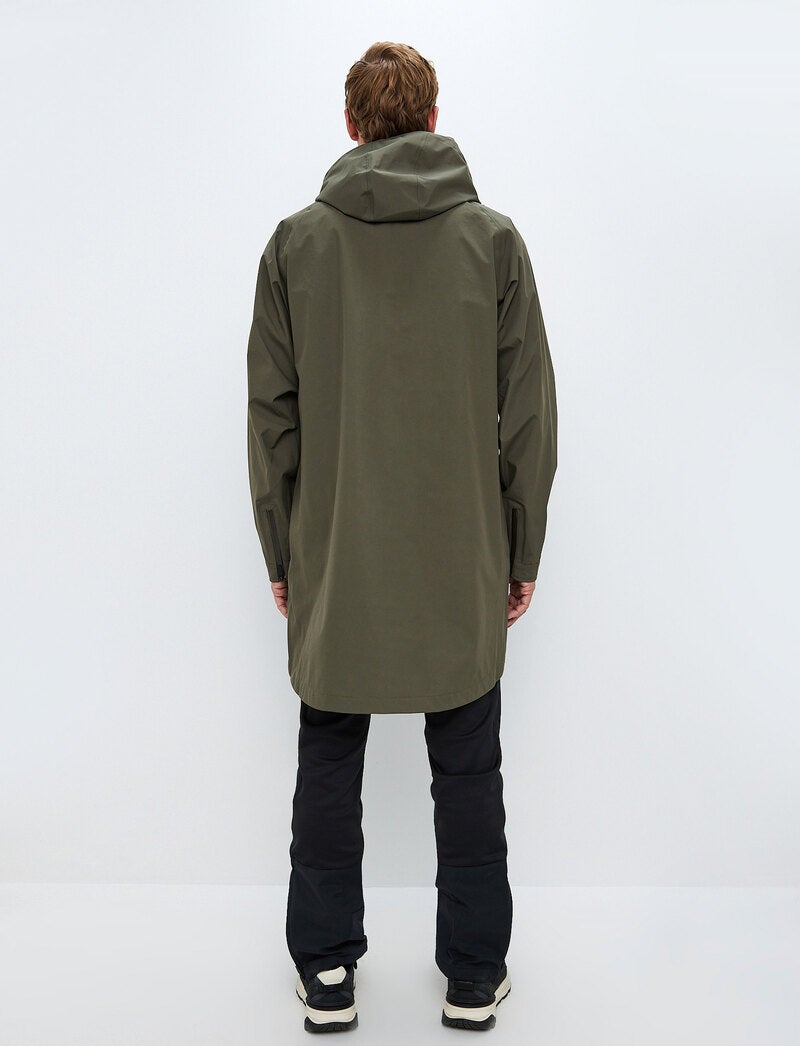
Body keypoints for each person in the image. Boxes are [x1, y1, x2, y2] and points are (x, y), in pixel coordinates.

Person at [246, 41, 558, 1033]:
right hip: (458, 557)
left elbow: (270, 419)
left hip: (336, 554)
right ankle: (472, 975)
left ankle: (326, 973)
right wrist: (519, 548)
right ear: (431, 119)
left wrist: (282, 552)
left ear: (350, 126)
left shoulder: (295, 245)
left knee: (327, 757)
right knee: (466, 764)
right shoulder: (492, 242)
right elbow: (529, 416)